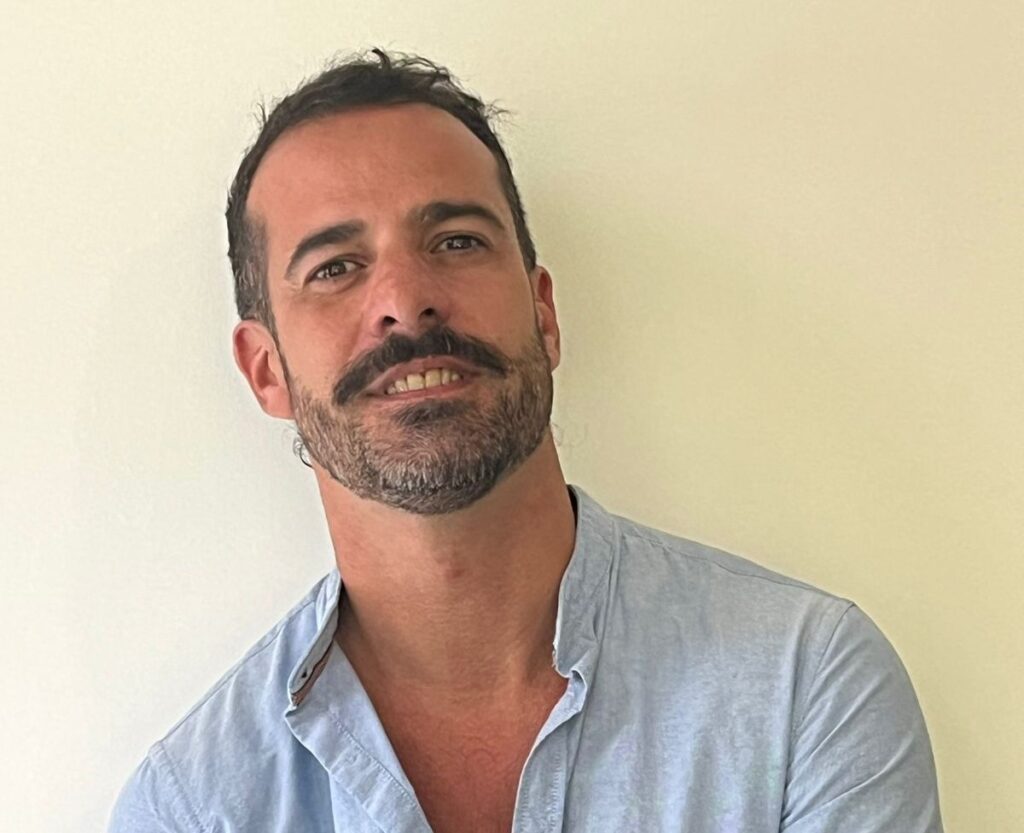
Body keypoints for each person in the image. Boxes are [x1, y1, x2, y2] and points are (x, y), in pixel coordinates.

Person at [108, 49, 943, 833]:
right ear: (266, 371)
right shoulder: (194, 807)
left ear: (544, 314)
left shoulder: (804, 685)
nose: (405, 300)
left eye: (457, 241)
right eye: (335, 267)